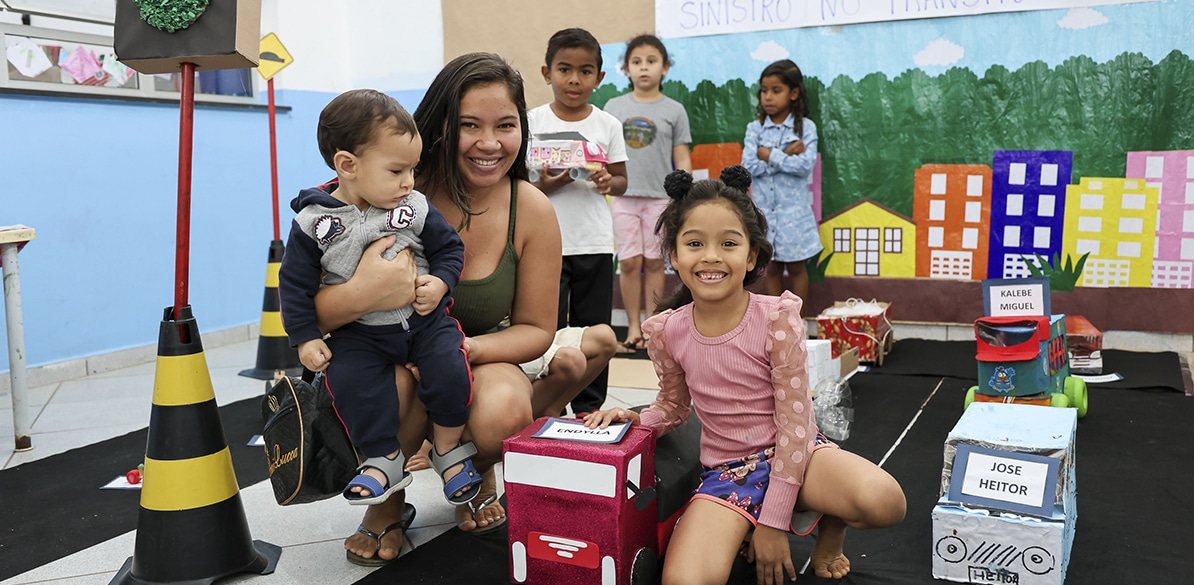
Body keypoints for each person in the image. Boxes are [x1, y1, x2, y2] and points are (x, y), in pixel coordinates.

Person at [585, 167, 906, 585]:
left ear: (751, 256)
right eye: (695, 243)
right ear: (675, 256)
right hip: (726, 472)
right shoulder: (666, 330)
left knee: (885, 501)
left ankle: (829, 522)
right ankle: (744, 521)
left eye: (729, 243)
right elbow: (673, 406)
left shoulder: (777, 319)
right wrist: (637, 419)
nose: (712, 256)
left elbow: (795, 424)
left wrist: (773, 521)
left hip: (796, 455)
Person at [312, 53, 562, 565]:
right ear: (442, 127)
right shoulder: (386, 185)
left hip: (478, 357)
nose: (490, 143)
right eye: (470, 125)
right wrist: (366, 292)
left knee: (503, 413)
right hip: (380, 352)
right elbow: (306, 311)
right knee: (390, 383)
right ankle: (387, 502)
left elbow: (538, 329)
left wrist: (460, 349)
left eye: (506, 125)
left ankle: (475, 467)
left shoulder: (531, 208)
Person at [278, 89, 482, 509]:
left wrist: (441, 283)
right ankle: (382, 459)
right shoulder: (313, 223)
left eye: (413, 169)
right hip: (360, 334)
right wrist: (305, 337)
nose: (409, 181)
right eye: (396, 170)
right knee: (351, 384)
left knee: (449, 367)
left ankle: (447, 449)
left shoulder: (414, 206)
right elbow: (294, 284)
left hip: (425, 325)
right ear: (348, 165)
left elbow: (450, 250)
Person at [529, 27, 629, 417]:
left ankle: (589, 407)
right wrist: (546, 185)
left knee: (594, 326)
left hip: (594, 242)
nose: (574, 79)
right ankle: (545, 400)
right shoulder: (530, 122)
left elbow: (621, 181)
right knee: (546, 329)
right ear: (546, 72)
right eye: (564, 69)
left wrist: (607, 180)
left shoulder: (608, 125)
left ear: (599, 78)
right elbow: (519, 184)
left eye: (585, 71)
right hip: (543, 244)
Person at [602, 33, 692, 352]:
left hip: (659, 197)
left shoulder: (675, 110)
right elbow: (605, 153)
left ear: (665, 68)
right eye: (636, 62)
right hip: (623, 197)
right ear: (626, 69)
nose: (644, 68)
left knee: (655, 262)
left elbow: (681, 155)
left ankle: (653, 325)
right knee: (628, 262)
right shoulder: (614, 107)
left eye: (651, 61)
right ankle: (631, 328)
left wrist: (685, 189)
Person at [741, 59, 822, 301]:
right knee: (772, 267)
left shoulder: (805, 128)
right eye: (764, 91)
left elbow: (805, 165)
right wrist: (785, 155)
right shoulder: (754, 129)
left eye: (776, 91)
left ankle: (799, 327)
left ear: (794, 93)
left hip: (793, 216)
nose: (768, 97)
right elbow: (749, 166)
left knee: (797, 268)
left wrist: (770, 154)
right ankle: (776, 324)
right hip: (765, 214)